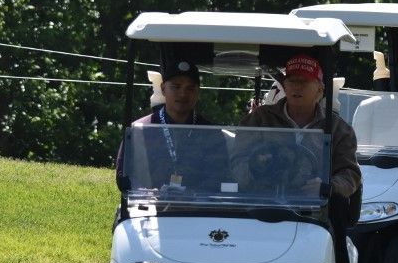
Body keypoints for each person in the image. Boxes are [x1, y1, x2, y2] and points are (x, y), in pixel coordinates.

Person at [231, 54, 361, 201]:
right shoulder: (259, 119)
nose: (297, 87)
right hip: (261, 204)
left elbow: (350, 173)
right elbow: (237, 162)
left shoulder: (338, 128)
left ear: (320, 89)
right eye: (292, 81)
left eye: (304, 81)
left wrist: (327, 187)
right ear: (284, 87)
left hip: (315, 211)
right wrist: (255, 168)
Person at [114, 60, 227, 192]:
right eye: (176, 86)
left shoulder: (211, 133)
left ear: (198, 92)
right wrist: (145, 192)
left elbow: (220, 176)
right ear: (163, 89)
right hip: (150, 207)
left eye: (190, 88)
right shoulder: (140, 130)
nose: (183, 94)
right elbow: (124, 176)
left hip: (197, 208)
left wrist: (193, 194)